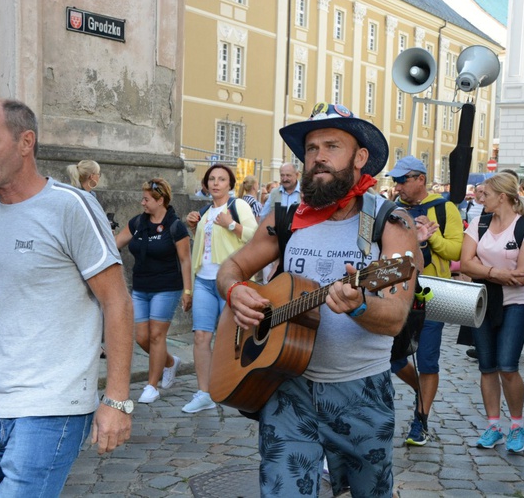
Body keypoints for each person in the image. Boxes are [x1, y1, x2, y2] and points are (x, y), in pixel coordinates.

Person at [0, 99, 134, 496]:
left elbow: (116, 301)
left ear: (26, 142)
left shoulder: (70, 206)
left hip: (52, 407)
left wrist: (117, 399)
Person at [216, 102, 420, 497]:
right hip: (288, 386)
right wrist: (234, 290)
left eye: (331, 146)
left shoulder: (388, 222)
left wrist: (360, 304)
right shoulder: (286, 218)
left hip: (361, 392)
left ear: (360, 157)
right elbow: (231, 268)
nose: (319, 157)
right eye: (311, 148)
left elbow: (394, 316)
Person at [460, 173, 524, 454]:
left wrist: (483, 270)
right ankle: (493, 425)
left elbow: (522, 276)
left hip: (517, 303)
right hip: (483, 302)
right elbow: (465, 264)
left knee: (507, 366)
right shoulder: (479, 223)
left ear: (503, 197)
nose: (481, 198)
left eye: (486, 194)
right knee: (487, 365)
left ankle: (517, 425)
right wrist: (497, 273)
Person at [385, 155, 463, 446]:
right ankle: (423, 390)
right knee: (393, 358)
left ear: (420, 179)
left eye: (402, 180)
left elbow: (455, 251)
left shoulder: (444, 207)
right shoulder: (392, 209)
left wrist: (433, 238)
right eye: (395, 180)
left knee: (428, 359)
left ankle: (421, 418)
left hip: (432, 291)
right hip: (397, 290)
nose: (398, 185)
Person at [183, 164, 257, 413]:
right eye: (211, 179)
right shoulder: (205, 212)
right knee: (201, 336)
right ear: (206, 184)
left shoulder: (239, 207)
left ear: (230, 184)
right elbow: (202, 250)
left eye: (221, 179)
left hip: (230, 281)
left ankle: (235, 387)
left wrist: (231, 224)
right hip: (203, 280)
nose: (215, 183)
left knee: (232, 338)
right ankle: (204, 392)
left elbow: (255, 236)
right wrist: (195, 228)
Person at [115, 178, 192, 404]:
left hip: (166, 287)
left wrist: (188, 291)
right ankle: (169, 362)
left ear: (160, 200)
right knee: (141, 337)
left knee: (157, 335)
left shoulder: (175, 226)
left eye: (147, 199)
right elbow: (116, 242)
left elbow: (185, 260)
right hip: (141, 287)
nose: (142, 203)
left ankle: (152, 386)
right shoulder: (138, 222)